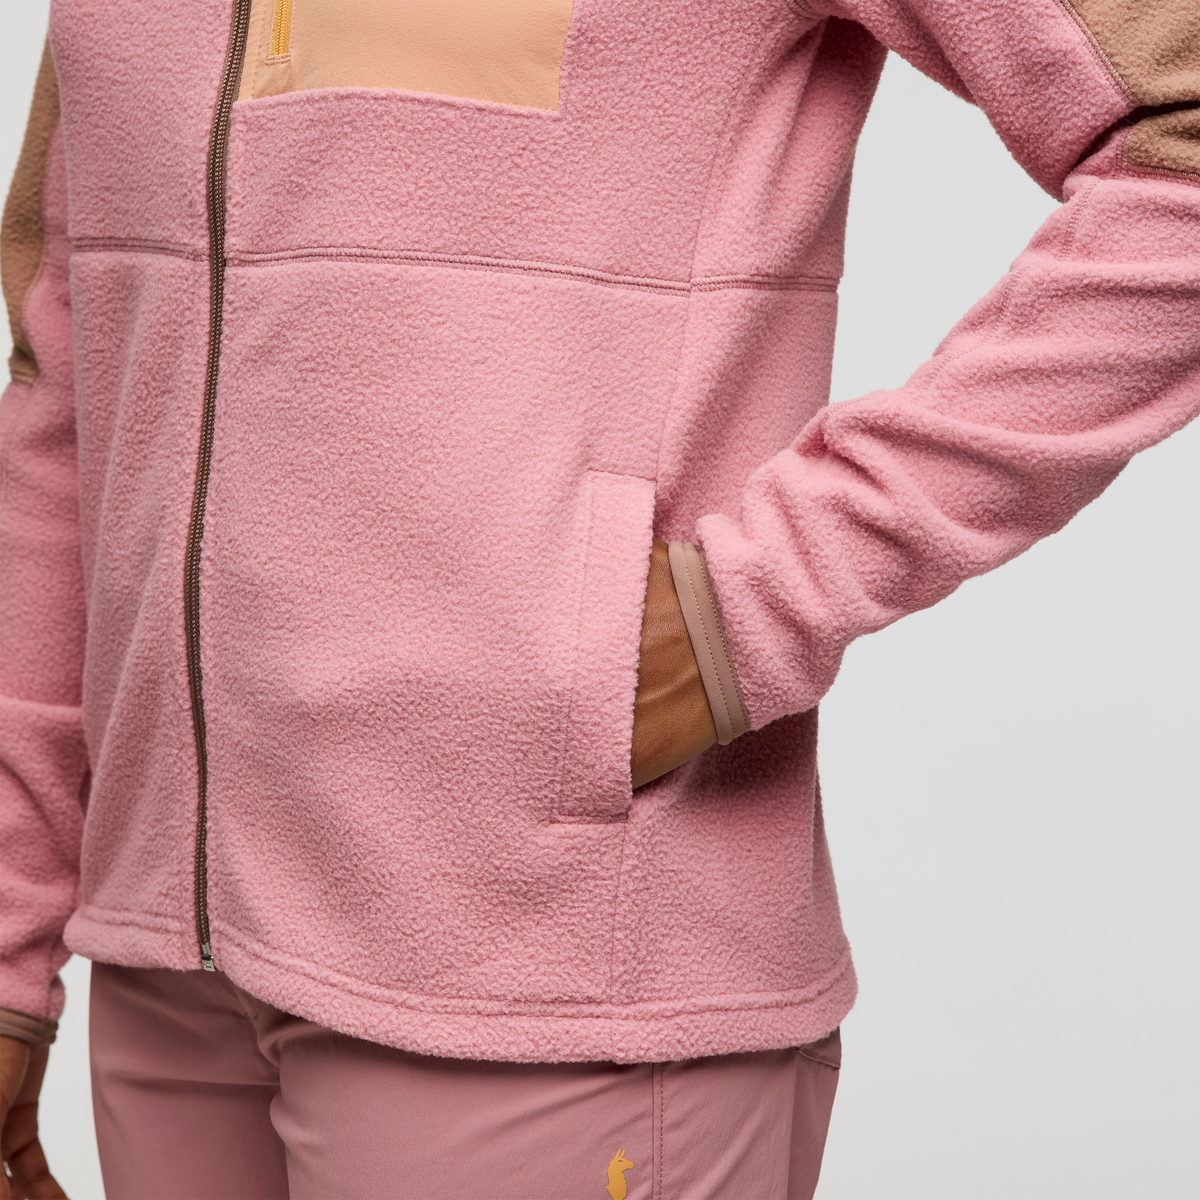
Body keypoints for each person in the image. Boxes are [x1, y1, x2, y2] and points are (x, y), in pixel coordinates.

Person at [1, 0, 1196, 1195]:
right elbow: (70, 383)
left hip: (556, 961)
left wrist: (756, 604)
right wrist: (8, 944)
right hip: (162, 972)